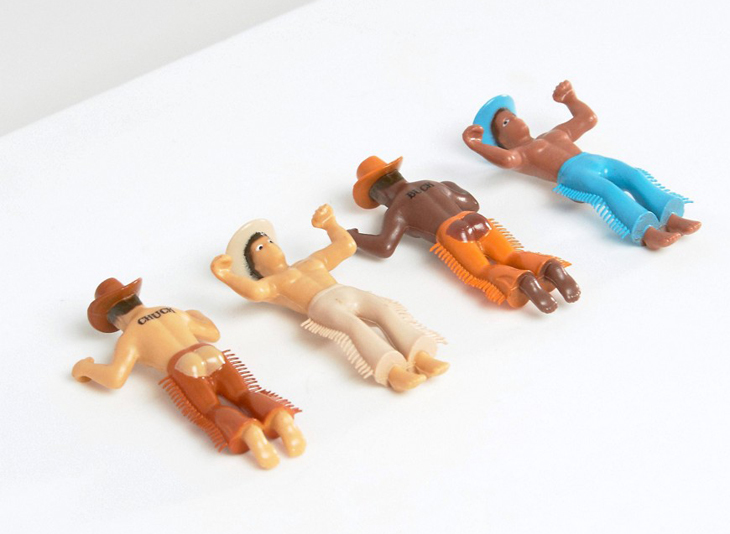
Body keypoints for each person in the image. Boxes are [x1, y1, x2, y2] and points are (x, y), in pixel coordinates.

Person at [72, 277, 304, 469]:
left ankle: (253, 438)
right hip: (210, 352)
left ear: (115, 319)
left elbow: (114, 378)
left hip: (184, 366)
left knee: (213, 409)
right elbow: (212, 334)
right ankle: (285, 424)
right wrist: (197, 314)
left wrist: (85, 368)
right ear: (136, 299)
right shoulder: (169, 311)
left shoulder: (130, 336)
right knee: (244, 394)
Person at [211, 205, 449, 392]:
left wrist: (329, 224)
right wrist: (226, 276)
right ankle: (393, 372)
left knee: (384, 309)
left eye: (270, 241)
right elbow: (254, 292)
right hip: (320, 304)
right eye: (261, 248)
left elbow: (346, 245)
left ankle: (421, 356)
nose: (271, 247)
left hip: (344, 291)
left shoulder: (310, 261)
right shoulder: (273, 284)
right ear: (256, 268)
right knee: (355, 327)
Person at [463, 80, 701, 249]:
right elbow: (506, 161)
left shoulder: (554, 133)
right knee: (608, 191)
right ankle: (647, 232)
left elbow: (587, 119)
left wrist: (571, 100)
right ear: (501, 141)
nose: (516, 120)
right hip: (572, 173)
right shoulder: (521, 154)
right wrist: (477, 145)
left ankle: (670, 216)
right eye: (506, 123)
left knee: (633, 175)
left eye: (513, 115)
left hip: (592, 159)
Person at [349, 155, 579, 313]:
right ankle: (550, 267)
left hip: (451, 233)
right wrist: (452, 186)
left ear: (379, 194)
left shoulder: (397, 209)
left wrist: (353, 237)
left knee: (483, 270)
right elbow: (472, 203)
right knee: (512, 255)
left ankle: (523, 281)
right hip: (475, 219)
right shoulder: (433, 183)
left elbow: (384, 247)